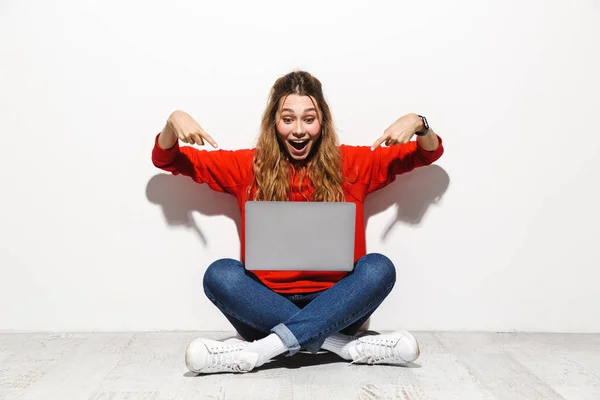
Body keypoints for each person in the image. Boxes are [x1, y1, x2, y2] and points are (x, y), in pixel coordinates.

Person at [151, 70, 444, 374]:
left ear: (322, 122)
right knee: (219, 275)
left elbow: (429, 152)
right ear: (274, 123)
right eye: (288, 119)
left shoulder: (354, 165)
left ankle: (261, 351)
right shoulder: (247, 167)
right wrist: (174, 119)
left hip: (338, 307)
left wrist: (418, 122)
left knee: (379, 268)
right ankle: (341, 345)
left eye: (309, 118)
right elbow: (166, 158)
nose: (299, 130)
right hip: (263, 308)